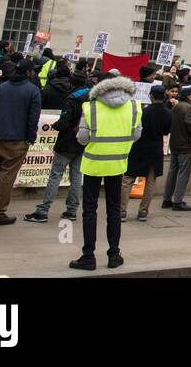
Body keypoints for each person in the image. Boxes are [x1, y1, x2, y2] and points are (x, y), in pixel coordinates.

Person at [67, 75, 141, 270]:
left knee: (90, 210)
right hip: (118, 163)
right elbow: (136, 134)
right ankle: (114, 254)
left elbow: (82, 138)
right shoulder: (134, 106)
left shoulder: (90, 107)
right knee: (114, 210)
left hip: (93, 164)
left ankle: (88, 256)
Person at [0, 58, 41, 226]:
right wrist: (30, 138)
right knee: (7, 176)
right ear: (29, 72)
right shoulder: (33, 90)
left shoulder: (1, 88)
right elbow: (32, 118)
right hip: (16, 140)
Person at [25, 70, 88, 223]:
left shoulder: (72, 99)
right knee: (76, 177)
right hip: (82, 142)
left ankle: (43, 211)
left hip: (66, 142)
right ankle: (72, 210)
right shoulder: (91, 98)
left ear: (71, 83)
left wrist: (56, 125)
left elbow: (64, 123)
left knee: (55, 175)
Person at [123, 84, 171, 222]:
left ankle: (121, 210)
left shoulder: (143, 112)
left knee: (128, 180)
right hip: (156, 148)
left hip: (139, 147)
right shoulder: (167, 113)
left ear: (150, 96)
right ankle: (143, 211)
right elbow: (166, 131)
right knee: (150, 182)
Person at [162, 85, 191, 210]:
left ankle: (166, 199)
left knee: (172, 171)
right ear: (189, 95)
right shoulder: (188, 108)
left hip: (175, 143)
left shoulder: (175, 107)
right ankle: (178, 201)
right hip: (185, 144)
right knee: (183, 173)